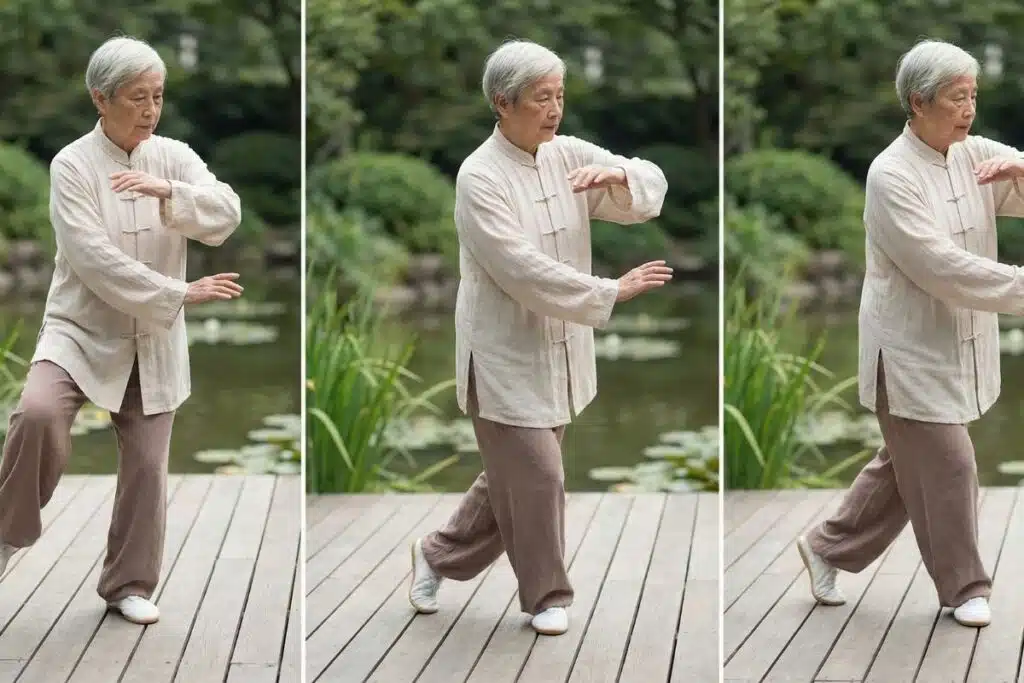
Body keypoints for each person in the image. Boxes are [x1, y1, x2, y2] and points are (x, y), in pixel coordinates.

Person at [406, 39, 672, 636]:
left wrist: (621, 175)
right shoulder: (479, 176)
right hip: (501, 353)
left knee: (516, 477)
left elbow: (646, 193)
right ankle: (548, 595)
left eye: (560, 95)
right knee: (540, 476)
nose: (555, 109)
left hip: (559, 348)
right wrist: (610, 290)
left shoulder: (566, 152)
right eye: (540, 98)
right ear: (502, 103)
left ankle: (436, 554)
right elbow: (519, 268)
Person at [0, 36, 244, 625]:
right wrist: (178, 293)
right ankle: (5, 536)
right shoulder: (71, 165)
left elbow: (226, 211)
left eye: (157, 96)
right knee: (37, 414)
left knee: (146, 465)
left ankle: (128, 583)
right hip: (79, 328)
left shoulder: (174, 156)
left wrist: (170, 192)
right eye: (137, 97)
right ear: (100, 98)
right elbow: (91, 257)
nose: (150, 109)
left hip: (152, 338)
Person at [797, 38, 1024, 628]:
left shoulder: (976, 153)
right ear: (919, 102)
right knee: (950, 466)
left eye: (973, 95)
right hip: (907, 351)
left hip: (959, 341)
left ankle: (827, 546)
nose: (969, 108)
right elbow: (940, 267)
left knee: (904, 466)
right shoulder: (890, 174)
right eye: (957, 97)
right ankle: (965, 587)